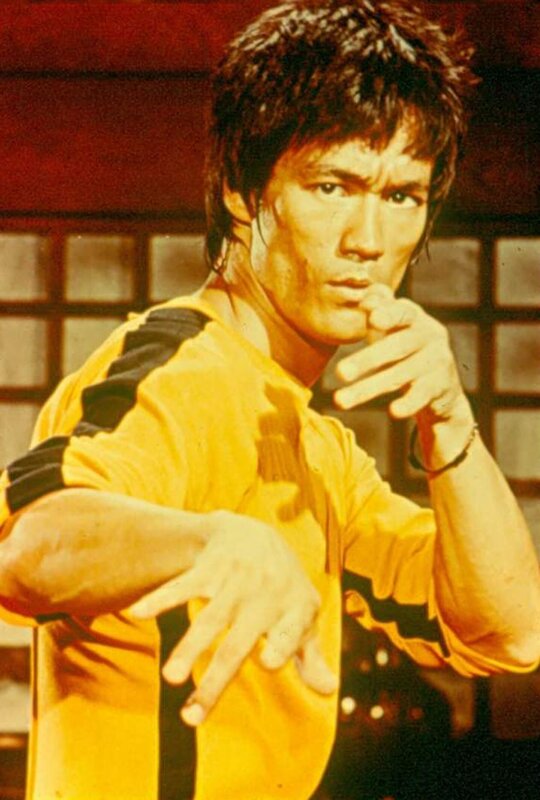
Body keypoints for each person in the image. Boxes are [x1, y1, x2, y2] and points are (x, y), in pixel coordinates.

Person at [0, 1, 539, 798]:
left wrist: (452, 426)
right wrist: (212, 542)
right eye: (332, 185)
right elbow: (28, 547)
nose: (367, 240)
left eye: (402, 196)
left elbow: (510, 633)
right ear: (242, 191)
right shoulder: (180, 368)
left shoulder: (319, 449)